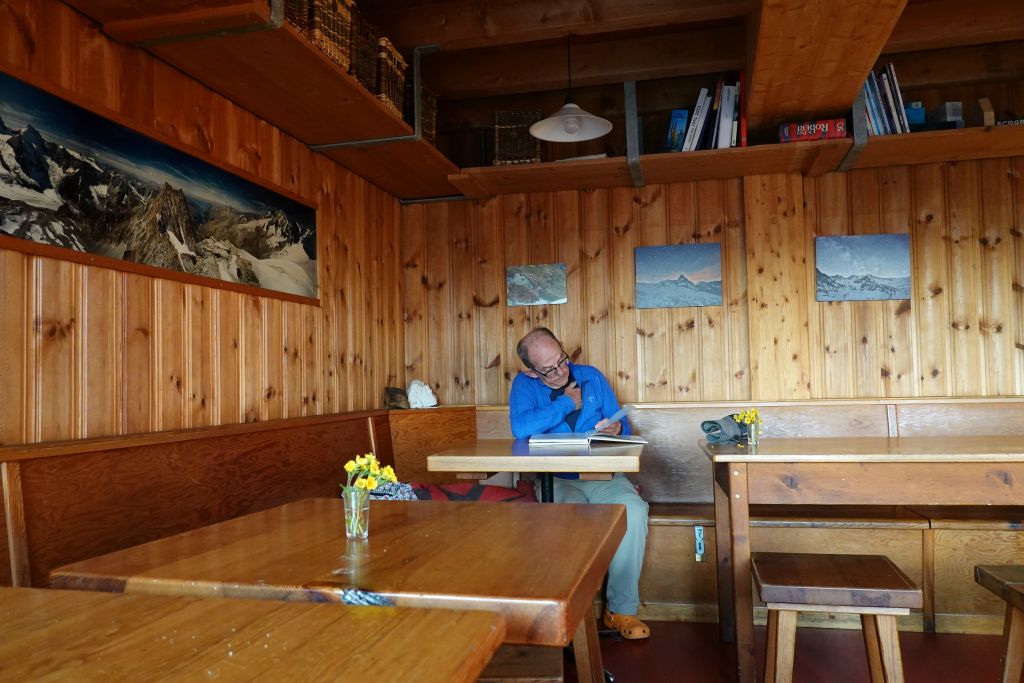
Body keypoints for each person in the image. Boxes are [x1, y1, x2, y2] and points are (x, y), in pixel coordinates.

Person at [509, 327, 651, 640]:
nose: (561, 371)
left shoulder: (591, 376)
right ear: (531, 371)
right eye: (549, 369)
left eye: (562, 360)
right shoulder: (523, 386)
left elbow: (622, 423)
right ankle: (568, 612)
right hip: (556, 479)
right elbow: (520, 428)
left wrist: (616, 427)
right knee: (570, 515)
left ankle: (620, 610)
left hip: (603, 475)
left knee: (633, 510)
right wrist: (566, 404)